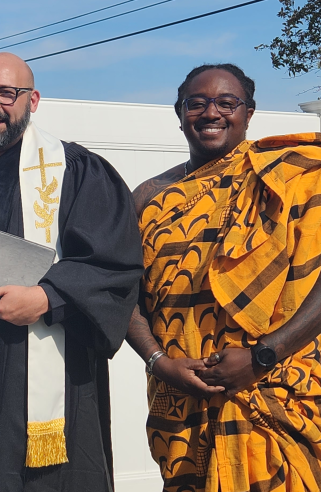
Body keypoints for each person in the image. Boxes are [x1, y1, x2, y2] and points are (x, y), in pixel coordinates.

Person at [0, 52, 143, 491]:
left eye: (6, 93)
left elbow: (114, 260)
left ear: (32, 100)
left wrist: (47, 297)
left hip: (31, 360)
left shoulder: (72, 169)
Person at [127, 63, 321, 491]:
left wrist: (262, 357)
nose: (211, 112)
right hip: (180, 405)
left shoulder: (295, 178)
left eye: (226, 103)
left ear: (249, 113)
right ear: (179, 114)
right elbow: (121, 296)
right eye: (196, 103)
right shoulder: (147, 197)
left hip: (276, 397)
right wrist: (162, 364)